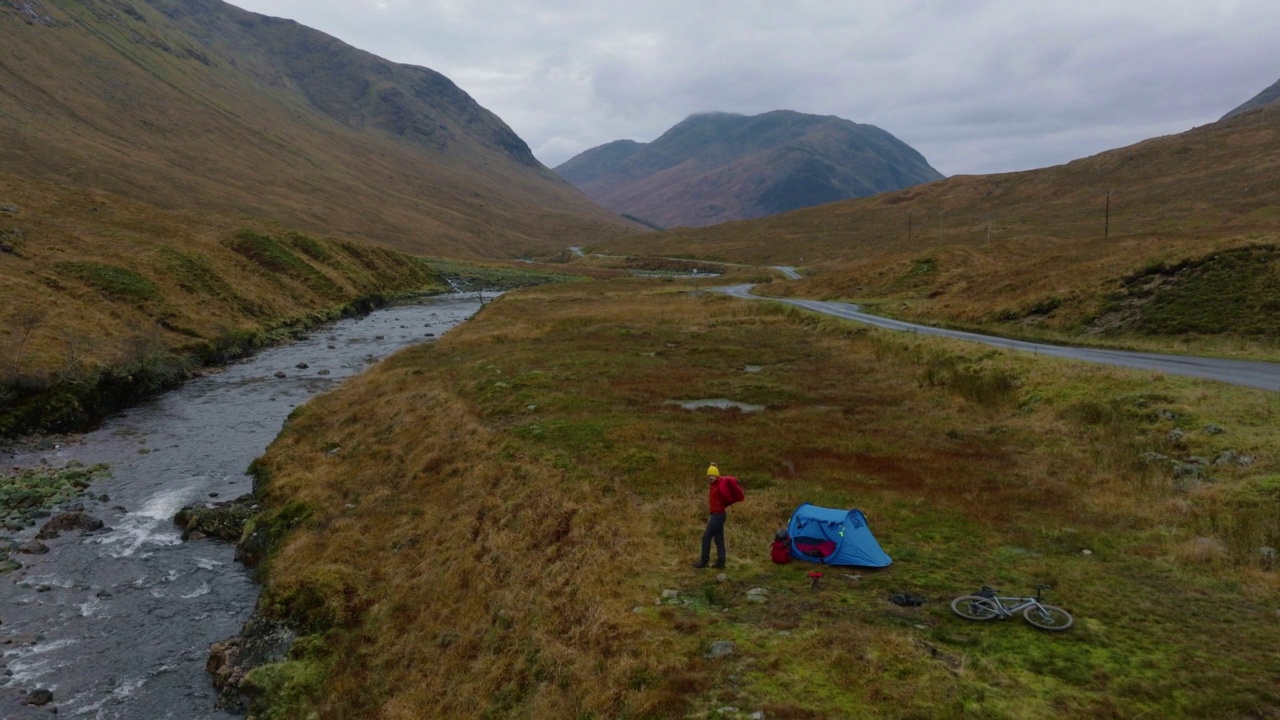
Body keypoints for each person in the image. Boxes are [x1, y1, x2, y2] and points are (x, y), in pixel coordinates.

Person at [693, 462, 729, 569]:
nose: (710, 477)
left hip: (718, 515)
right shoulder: (712, 485)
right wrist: (713, 466)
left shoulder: (720, 484)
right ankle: (721, 563)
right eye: (709, 475)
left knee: (706, 537)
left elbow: (726, 495)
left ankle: (704, 561)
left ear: (717, 476)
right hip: (716, 514)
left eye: (712, 475)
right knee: (719, 539)